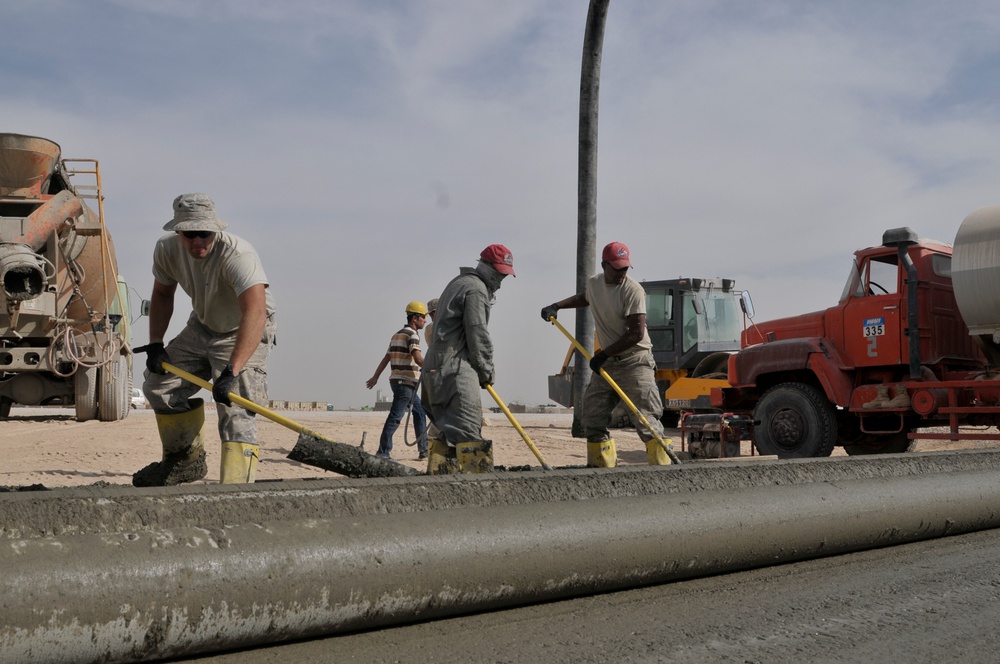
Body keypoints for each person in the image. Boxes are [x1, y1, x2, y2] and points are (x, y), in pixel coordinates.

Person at [133, 193, 277, 486]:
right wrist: (156, 343)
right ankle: (185, 462)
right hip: (202, 325)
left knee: (236, 407)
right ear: (178, 232)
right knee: (158, 385)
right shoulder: (165, 250)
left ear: (215, 230)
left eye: (205, 233)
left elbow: (256, 311)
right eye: (190, 234)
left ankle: (236, 489)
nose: (198, 240)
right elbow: (162, 294)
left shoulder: (238, 255)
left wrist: (232, 370)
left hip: (244, 327)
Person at [540, 241, 670, 467]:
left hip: (635, 361)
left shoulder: (632, 290)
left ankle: (663, 470)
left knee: (646, 419)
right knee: (592, 415)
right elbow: (587, 296)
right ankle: (601, 468)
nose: (621, 273)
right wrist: (557, 305)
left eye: (625, 268)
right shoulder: (595, 284)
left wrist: (603, 354)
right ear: (604, 265)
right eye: (617, 268)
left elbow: (637, 333)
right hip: (609, 361)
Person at [422, 244, 514, 474]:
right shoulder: (476, 289)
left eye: (505, 275)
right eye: (499, 273)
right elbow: (477, 333)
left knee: (447, 432)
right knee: (469, 431)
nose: (501, 280)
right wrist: (486, 370)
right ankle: (480, 491)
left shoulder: (459, 282)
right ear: (485, 266)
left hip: (436, 369)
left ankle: (439, 486)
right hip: (454, 369)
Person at [365, 301, 429, 460]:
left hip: (398, 382)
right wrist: (433, 368)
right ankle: (383, 451)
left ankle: (424, 450)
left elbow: (386, 359)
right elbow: (418, 358)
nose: (425, 320)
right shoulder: (412, 335)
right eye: (423, 317)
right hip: (405, 382)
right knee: (396, 416)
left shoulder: (396, 335)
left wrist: (375, 377)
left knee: (419, 413)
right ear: (415, 318)